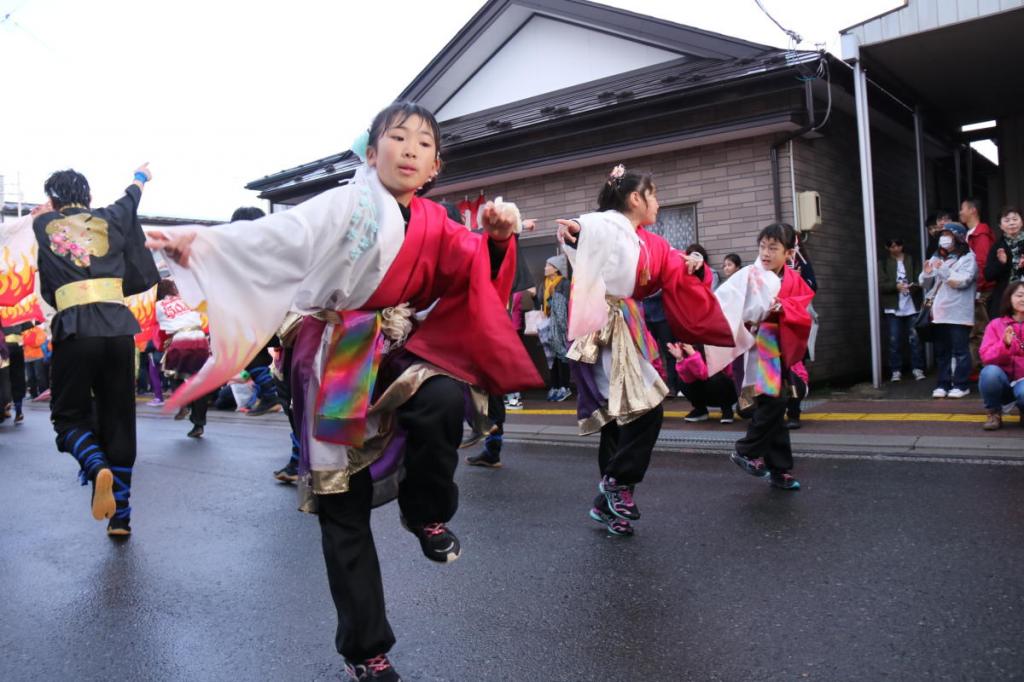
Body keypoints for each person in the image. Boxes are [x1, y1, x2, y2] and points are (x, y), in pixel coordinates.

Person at [147, 102, 541, 682]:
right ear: (371, 149)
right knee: (343, 503)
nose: (409, 148)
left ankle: (426, 512)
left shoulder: (435, 221)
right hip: (334, 353)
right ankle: (366, 648)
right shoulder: (345, 204)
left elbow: (471, 272)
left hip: (395, 346)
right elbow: (280, 235)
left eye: (423, 142)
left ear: (435, 164)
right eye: (397, 137)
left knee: (441, 400)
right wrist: (201, 245)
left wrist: (500, 243)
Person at [556, 164, 732, 536]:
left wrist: (694, 267)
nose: (658, 202)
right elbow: (585, 228)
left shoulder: (646, 239)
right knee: (644, 408)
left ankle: (608, 503)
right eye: (654, 194)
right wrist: (575, 231)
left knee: (620, 416)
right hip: (605, 326)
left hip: (627, 325)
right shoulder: (608, 223)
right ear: (635, 198)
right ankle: (618, 483)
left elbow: (672, 267)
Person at [31, 164, 160, 537]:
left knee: (68, 417)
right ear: (87, 197)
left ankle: (95, 464)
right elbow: (131, 197)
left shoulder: (44, 225)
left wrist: (47, 211)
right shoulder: (111, 216)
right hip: (119, 330)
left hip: (76, 329)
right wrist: (140, 176)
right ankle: (122, 517)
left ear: (53, 199)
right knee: (120, 417)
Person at [716, 223, 814, 491]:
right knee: (774, 403)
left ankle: (778, 468)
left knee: (774, 407)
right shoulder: (749, 274)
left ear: (788, 253)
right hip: (753, 346)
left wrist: (781, 308)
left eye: (773, 248)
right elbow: (725, 302)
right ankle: (748, 451)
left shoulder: (793, 280)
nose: (766, 253)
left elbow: (802, 310)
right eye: (763, 247)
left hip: (773, 345)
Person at [920, 222, 978, 399]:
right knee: (942, 351)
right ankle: (942, 384)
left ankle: (961, 384)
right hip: (939, 312)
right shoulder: (937, 256)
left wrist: (942, 269)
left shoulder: (968, 257)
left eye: (948, 234)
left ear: (958, 237)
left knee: (960, 351)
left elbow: (962, 282)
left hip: (958, 312)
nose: (944, 238)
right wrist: (927, 273)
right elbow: (925, 284)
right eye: (942, 234)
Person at [155, 279, 211, 438]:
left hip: (180, 340)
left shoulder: (159, 306)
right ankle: (198, 423)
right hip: (200, 339)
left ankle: (183, 401)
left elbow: (159, 329)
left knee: (172, 374)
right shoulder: (189, 298)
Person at [978, 281, 1024, 430]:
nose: (1023, 299)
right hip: (1002, 381)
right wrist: (1005, 345)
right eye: (1019, 295)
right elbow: (986, 357)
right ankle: (994, 413)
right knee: (989, 373)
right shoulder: (995, 324)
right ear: (1009, 298)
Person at [878, 237, 925, 381]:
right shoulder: (884, 263)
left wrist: (913, 287)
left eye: (897, 245)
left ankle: (918, 368)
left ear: (902, 245)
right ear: (887, 248)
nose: (895, 249)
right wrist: (895, 286)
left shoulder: (911, 260)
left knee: (915, 339)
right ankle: (895, 370)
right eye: (891, 246)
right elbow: (881, 284)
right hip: (893, 307)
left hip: (912, 305)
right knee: (894, 340)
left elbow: (921, 279)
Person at [961, 198, 996, 376]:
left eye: (963, 209)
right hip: (973, 290)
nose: (960, 213)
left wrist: (979, 289)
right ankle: (976, 368)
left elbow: (981, 263)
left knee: (980, 330)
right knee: (974, 329)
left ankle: (982, 369)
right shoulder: (970, 234)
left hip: (979, 290)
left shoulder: (981, 235)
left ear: (973, 210)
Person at [669, 341, 736, 424]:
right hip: (707, 391)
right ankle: (700, 410)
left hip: (729, 391)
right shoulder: (687, 345)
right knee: (682, 380)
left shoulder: (715, 343)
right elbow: (688, 378)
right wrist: (680, 359)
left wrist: (693, 354)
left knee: (716, 378)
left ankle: (726, 409)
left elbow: (704, 374)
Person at [537, 254, 572, 402]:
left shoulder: (564, 283)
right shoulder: (543, 284)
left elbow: (565, 303)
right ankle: (555, 385)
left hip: (560, 325)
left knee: (561, 355)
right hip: (547, 325)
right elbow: (539, 301)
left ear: (556, 268)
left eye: (548, 265)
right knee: (550, 356)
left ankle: (565, 386)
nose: (545, 268)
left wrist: (552, 299)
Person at [984, 206, 1024, 319]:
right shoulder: (997, 246)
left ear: (1022, 222)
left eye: (1015, 219)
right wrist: (1001, 263)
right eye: (1007, 220)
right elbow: (988, 275)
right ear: (1000, 225)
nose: (1011, 223)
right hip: (1004, 297)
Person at [22, 322, 49, 399]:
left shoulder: (38, 330)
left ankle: (43, 393)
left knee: (39, 376)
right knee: (30, 377)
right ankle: (33, 394)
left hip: (38, 357)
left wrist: (28, 341)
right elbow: (20, 343)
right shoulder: (22, 333)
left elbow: (39, 342)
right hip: (27, 358)